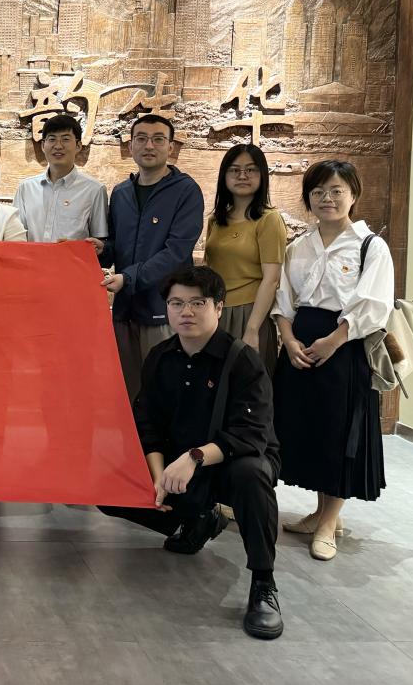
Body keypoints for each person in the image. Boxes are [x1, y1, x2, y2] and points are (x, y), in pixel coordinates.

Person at [100, 266, 284, 640]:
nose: (186, 312)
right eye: (176, 303)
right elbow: (147, 424)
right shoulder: (160, 357)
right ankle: (198, 519)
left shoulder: (242, 360)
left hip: (230, 462)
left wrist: (194, 457)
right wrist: (156, 477)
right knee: (108, 486)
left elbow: (251, 434)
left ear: (218, 307)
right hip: (178, 464)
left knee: (252, 474)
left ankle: (264, 584)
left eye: (197, 303)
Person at [272, 159, 394, 561]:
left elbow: (373, 304)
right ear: (308, 198)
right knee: (310, 431)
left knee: (340, 433)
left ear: (353, 195)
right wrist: (289, 340)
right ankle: (320, 513)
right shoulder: (298, 246)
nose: (327, 198)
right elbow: (284, 300)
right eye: (318, 192)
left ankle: (328, 523)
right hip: (300, 345)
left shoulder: (370, 246)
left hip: (345, 347)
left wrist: (335, 340)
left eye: (337, 191)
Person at [99, 114, 204, 401]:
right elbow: (116, 245)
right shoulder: (121, 193)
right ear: (130, 145)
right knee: (127, 395)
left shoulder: (186, 191)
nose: (149, 145)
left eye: (158, 139)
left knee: (166, 394)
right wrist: (99, 249)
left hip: (164, 310)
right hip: (124, 312)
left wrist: (128, 278)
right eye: (141, 138)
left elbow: (176, 252)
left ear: (170, 147)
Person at [204, 144, 286, 373]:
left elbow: (272, 279)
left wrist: (252, 328)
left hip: (249, 313)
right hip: (215, 312)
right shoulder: (215, 220)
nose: (242, 176)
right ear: (224, 176)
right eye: (234, 170)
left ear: (262, 175)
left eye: (251, 170)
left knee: (247, 384)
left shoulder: (269, 219)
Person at [13, 113, 107, 248]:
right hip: (30, 261)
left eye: (65, 139)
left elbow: (99, 241)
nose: (58, 146)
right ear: (43, 145)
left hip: (72, 261)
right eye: (52, 139)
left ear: (78, 145)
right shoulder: (26, 188)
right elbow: (16, 236)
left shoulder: (94, 190)